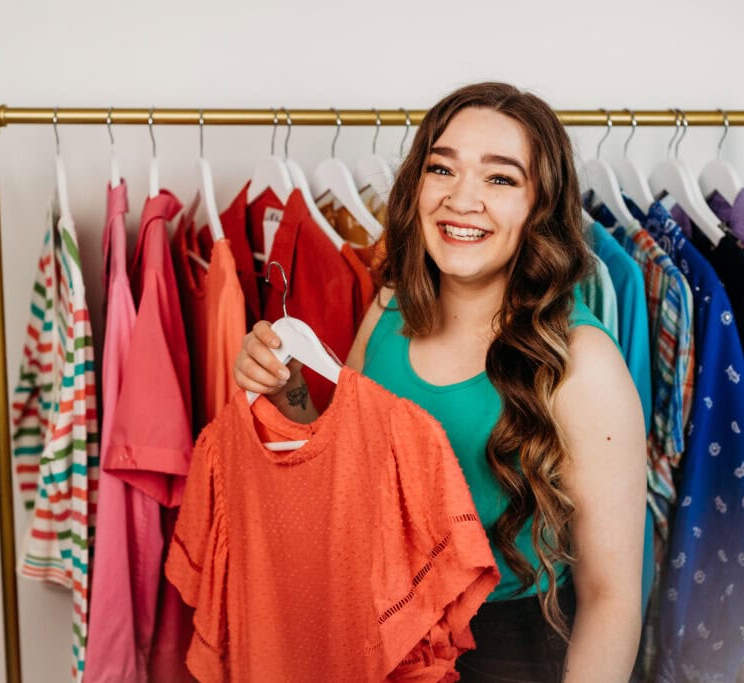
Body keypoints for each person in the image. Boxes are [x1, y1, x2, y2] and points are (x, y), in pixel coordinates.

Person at [233, 82, 645, 682]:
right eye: (441, 169)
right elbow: (342, 486)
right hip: (373, 638)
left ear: (541, 205)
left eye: (499, 179)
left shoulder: (582, 363)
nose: (461, 198)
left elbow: (612, 600)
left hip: (506, 656)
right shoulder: (389, 310)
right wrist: (285, 389)